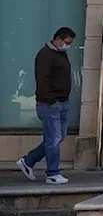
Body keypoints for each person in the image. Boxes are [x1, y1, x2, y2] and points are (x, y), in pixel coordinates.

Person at [17, 27, 77, 185]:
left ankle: (28, 161)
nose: (68, 46)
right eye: (66, 42)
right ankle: (52, 173)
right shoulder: (45, 55)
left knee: (57, 137)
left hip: (62, 102)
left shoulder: (60, 53)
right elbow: (42, 81)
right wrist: (51, 102)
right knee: (53, 139)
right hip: (50, 104)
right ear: (58, 39)